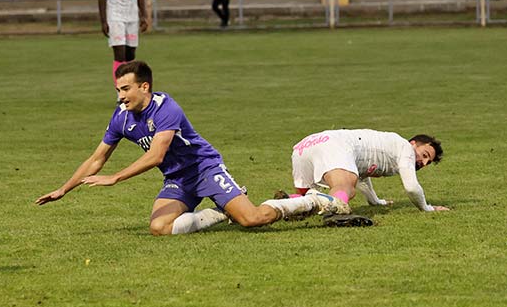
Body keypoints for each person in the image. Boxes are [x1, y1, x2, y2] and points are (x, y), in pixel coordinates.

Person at [35, 61, 345, 236]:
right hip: (178, 179)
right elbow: (96, 158)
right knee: (160, 228)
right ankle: (218, 213)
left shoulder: (166, 108)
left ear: (144, 87)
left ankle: (310, 202)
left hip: (204, 169)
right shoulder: (121, 117)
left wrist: (115, 179)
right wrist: (65, 189)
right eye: (117, 90)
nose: (120, 96)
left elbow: (156, 155)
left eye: (125, 89)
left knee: (252, 221)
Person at [285, 129, 448, 219]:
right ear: (413, 144)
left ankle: (291, 203)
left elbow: (363, 174)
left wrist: (375, 201)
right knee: (346, 186)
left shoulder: (388, 146)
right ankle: (336, 213)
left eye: (428, 162)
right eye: (425, 155)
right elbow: (412, 187)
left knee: (305, 194)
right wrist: (427, 208)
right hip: (334, 143)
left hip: (305, 145)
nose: (423, 162)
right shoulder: (405, 148)